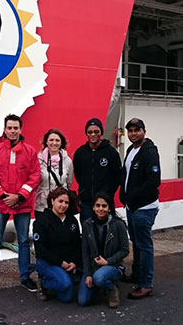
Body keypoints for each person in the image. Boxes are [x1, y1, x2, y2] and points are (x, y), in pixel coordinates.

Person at [0, 114, 40, 297]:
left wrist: (20, 196)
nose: (13, 131)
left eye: (16, 128)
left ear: (21, 130)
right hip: (1, 203)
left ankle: (24, 276)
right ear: (4, 130)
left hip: (22, 204)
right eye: (10, 128)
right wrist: (3, 194)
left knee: (23, 241)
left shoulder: (29, 151)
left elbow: (35, 175)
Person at [120, 118, 161, 299]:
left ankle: (146, 283)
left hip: (144, 207)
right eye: (130, 131)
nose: (133, 134)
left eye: (137, 130)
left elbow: (153, 181)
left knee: (144, 246)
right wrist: (124, 195)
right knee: (136, 243)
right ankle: (136, 274)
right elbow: (127, 174)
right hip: (132, 206)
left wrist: (133, 196)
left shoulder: (149, 152)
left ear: (144, 131)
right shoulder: (131, 149)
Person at [78, 192, 129, 308]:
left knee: (99, 278)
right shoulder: (87, 225)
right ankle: (99, 284)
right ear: (93, 207)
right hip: (94, 266)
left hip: (114, 265)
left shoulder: (118, 225)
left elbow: (125, 250)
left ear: (109, 208)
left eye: (104, 206)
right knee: (83, 300)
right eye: (97, 205)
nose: (101, 209)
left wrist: (108, 261)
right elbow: (85, 251)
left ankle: (112, 288)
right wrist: (87, 274)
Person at [33, 187, 81, 303]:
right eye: (60, 201)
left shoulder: (72, 220)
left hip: (67, 263)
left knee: (67, 298)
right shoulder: (42, 221)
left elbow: (77, 244)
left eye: (66, 202)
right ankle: (43, 283)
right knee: (65, 284)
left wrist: (74, 262)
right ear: (52, 201)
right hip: (48, 262)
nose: (63, 205)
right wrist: (61, 263)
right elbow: (40, 250)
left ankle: (59, 280)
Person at [73, 118, 122, 225]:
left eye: (96, 132)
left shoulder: (111, 152)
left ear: (101, 133)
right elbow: (78, 175)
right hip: (86, 203)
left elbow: (117, 176)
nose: (93, 134)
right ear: (86, 133)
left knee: (107, 232)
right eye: (90, 132)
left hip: (105, 202)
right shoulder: (80, 153)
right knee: (88, 231)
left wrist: (107, 193)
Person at [34, 128, 73, 218]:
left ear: (61, 143)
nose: (54, 143)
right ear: (46, 142)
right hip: (42, 206)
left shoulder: (67, 161)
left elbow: (68, 183)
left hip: (61, 207)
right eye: (51, 140)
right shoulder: (37, 160)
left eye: (57, 140)